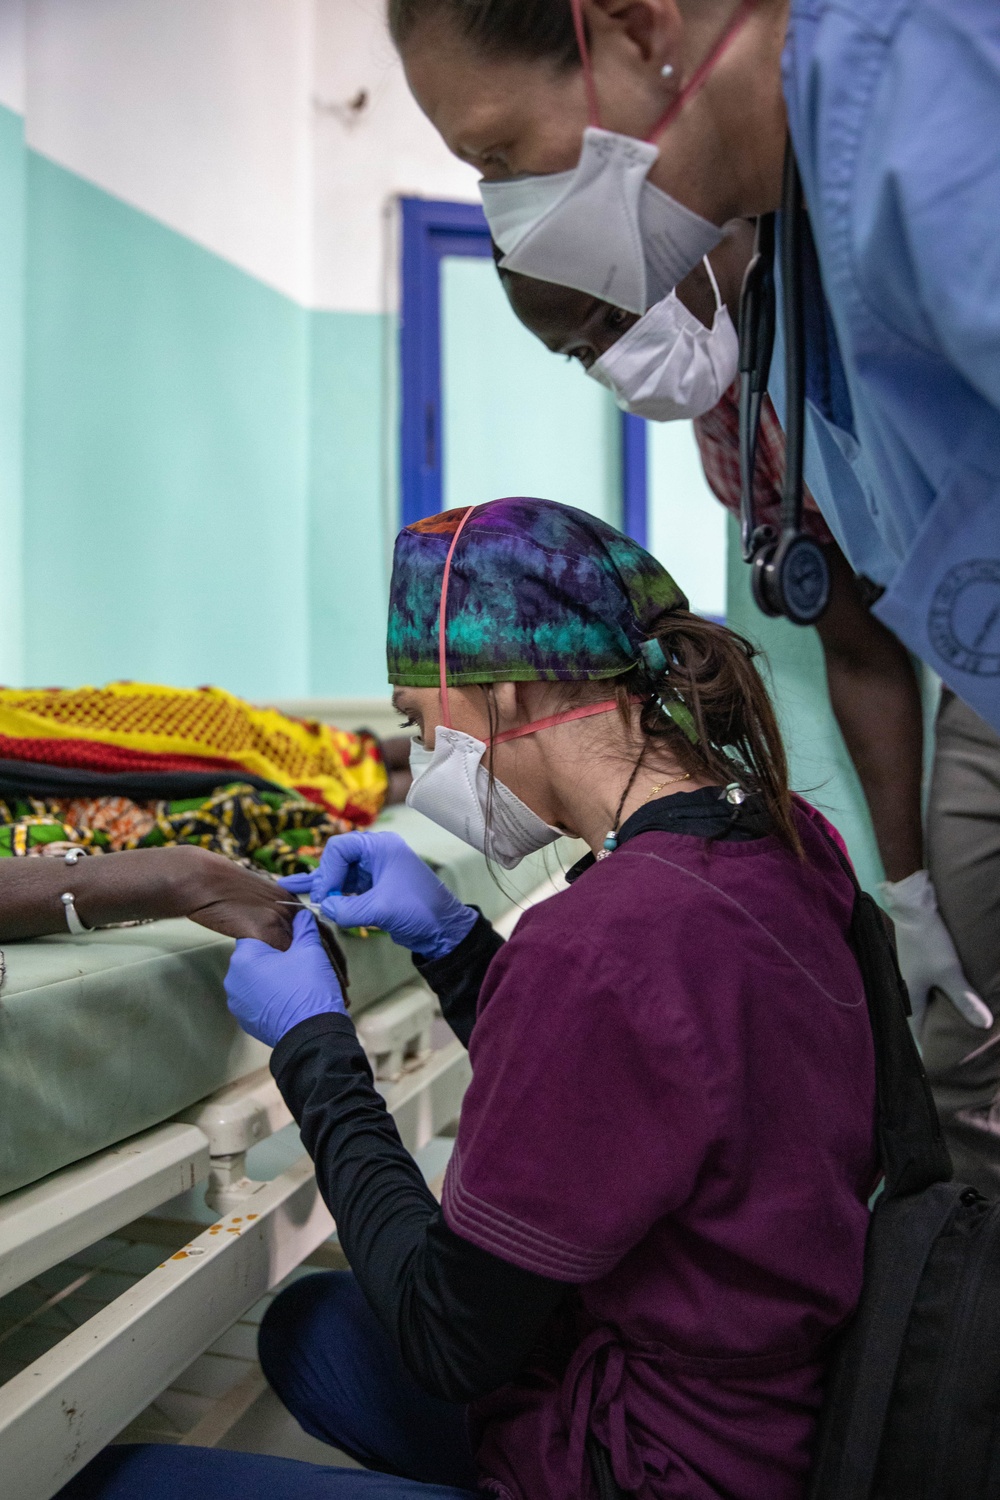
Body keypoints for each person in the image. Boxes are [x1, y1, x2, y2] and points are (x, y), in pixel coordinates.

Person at [63, 497, 876, 1499]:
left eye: (416, 724)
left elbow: (447, 1341)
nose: (420, 762)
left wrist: (315, 1046)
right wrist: (450, 942)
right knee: (308, 1327)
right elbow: (626, 1083)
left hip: (659, 1467)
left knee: (119, 1484)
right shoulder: (781, 838)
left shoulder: (598, 942)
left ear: (512, 692)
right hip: (784, 1399)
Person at [388, 0, 1000, 736]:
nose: (511, 214)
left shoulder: (934, 96)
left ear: (641, 28)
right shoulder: (787, 270)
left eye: (500, 153)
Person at [499, 259, 990, 1047]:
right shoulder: (731, 404)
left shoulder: (849, 278)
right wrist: (911, 895)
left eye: (613, 319)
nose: (609, 361)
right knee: (964, 1038)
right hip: (974, 658)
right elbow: (860, 651)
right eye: (580, 352)